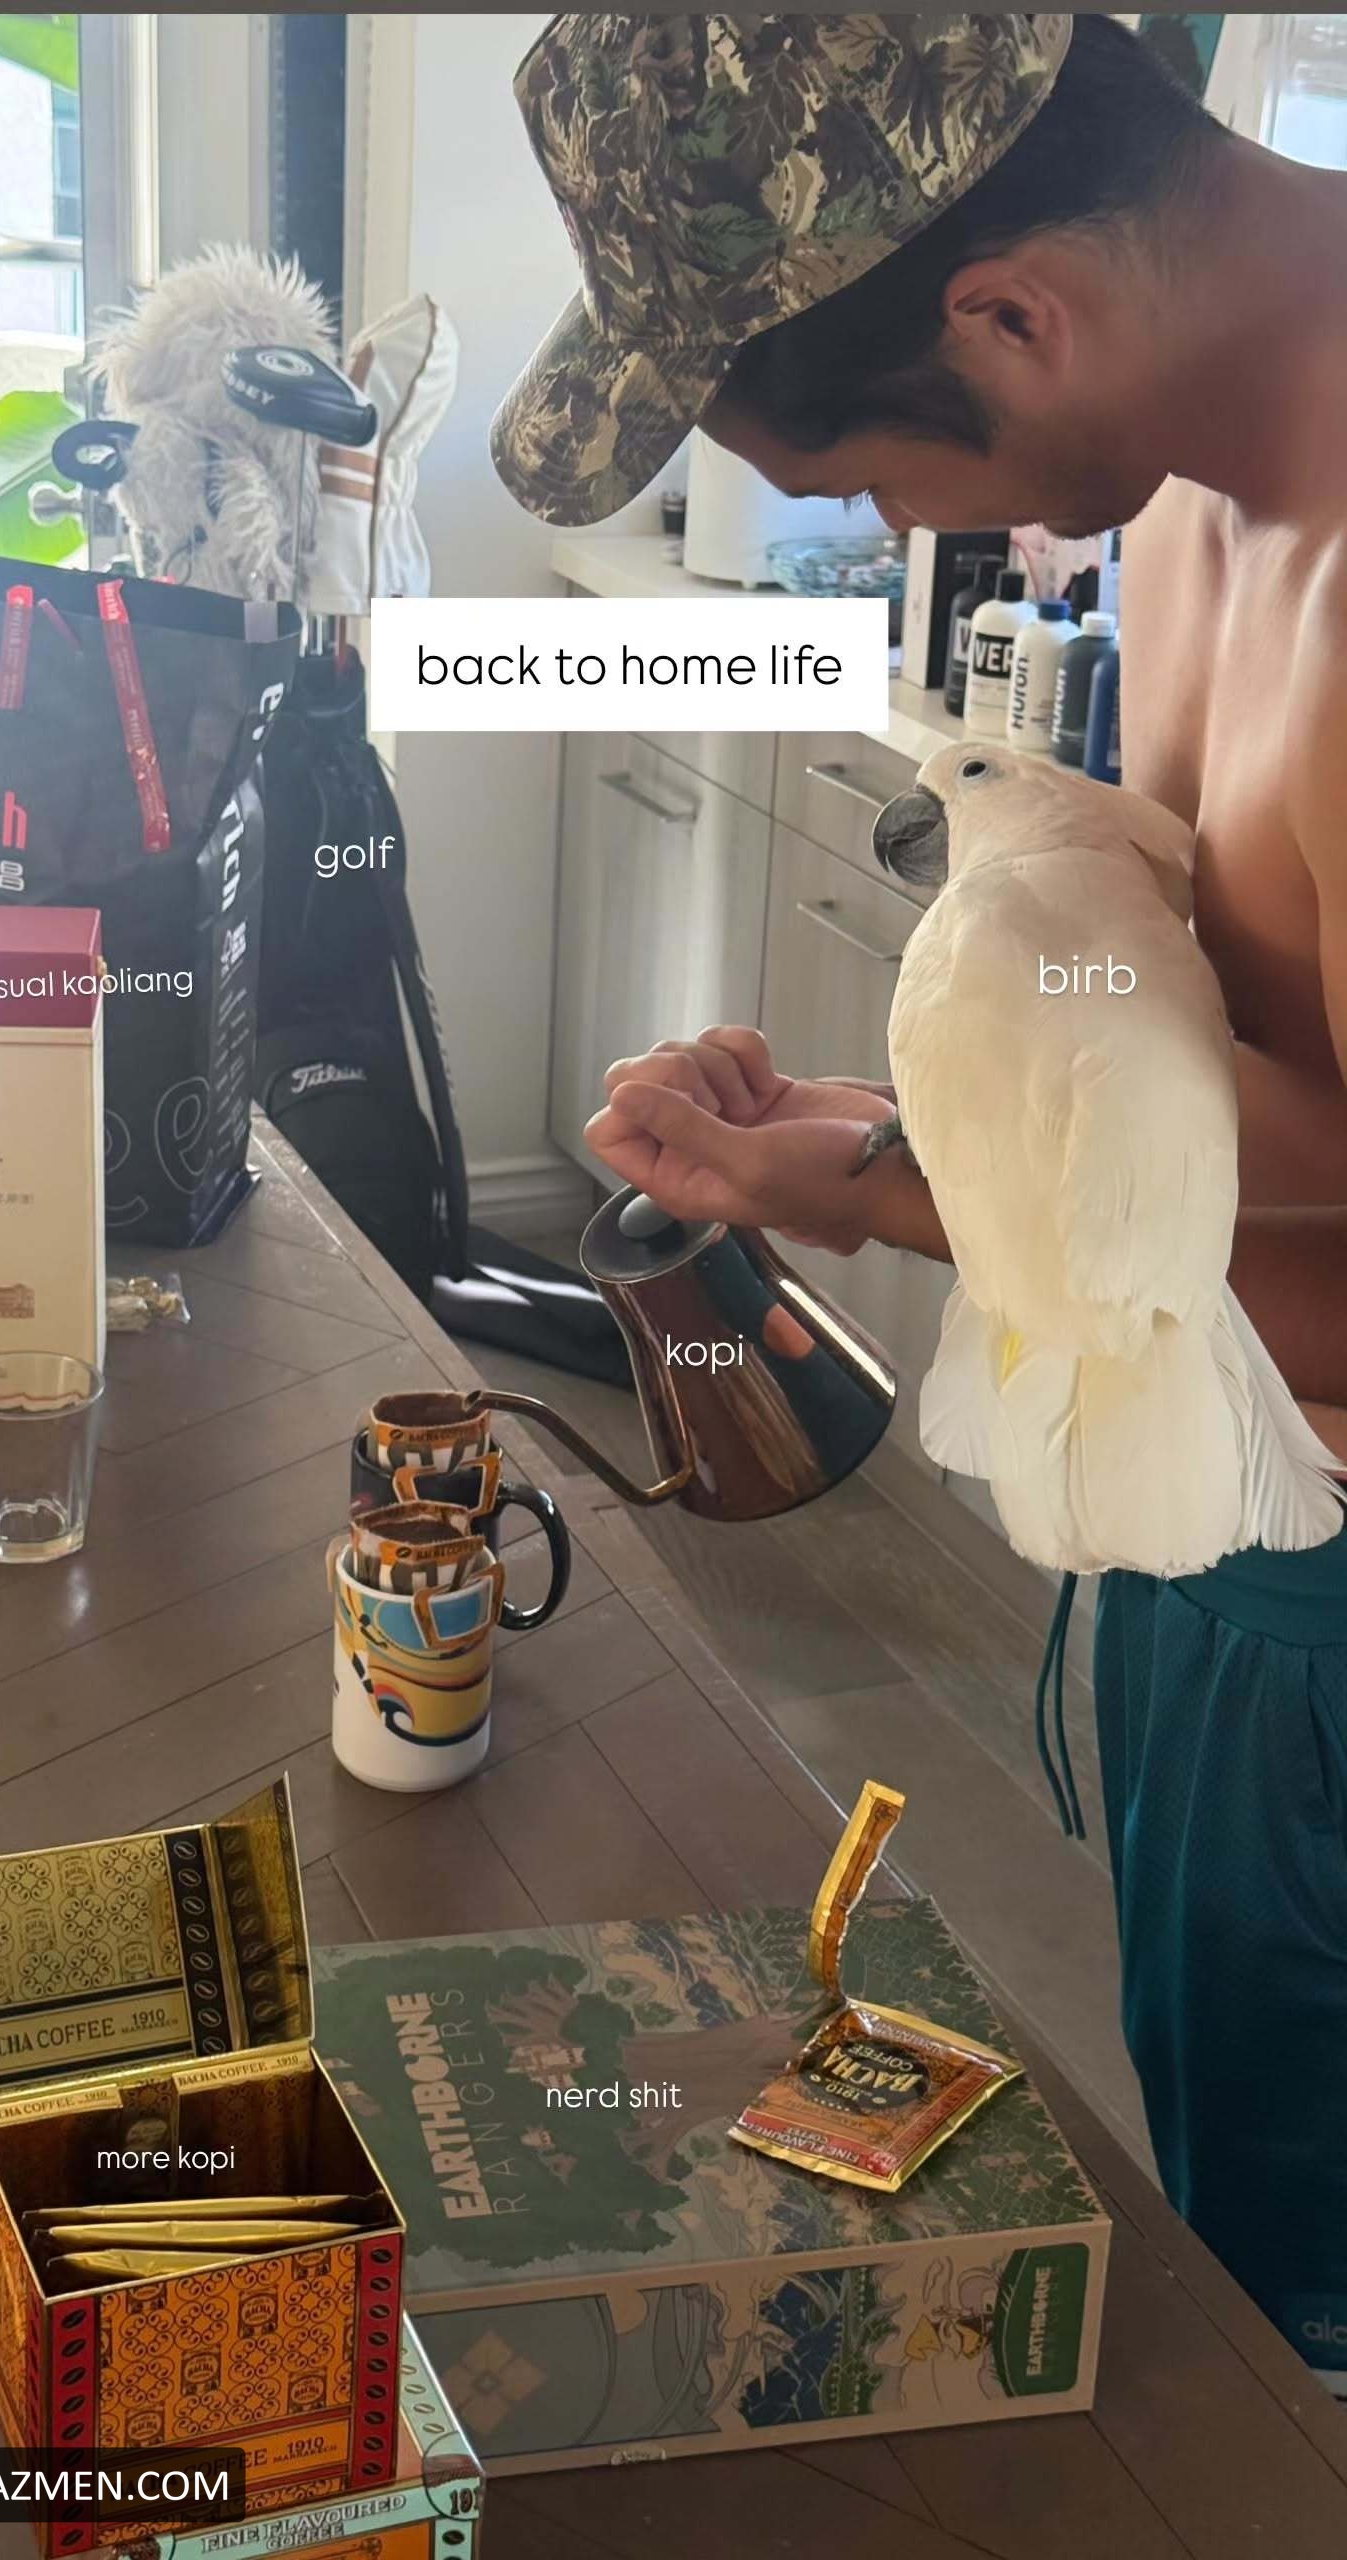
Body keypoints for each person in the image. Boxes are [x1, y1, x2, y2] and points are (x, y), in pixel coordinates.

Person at [492, 11, 1347, 2395]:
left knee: (1292, 2347)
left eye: (860, 476)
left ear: (1011, 314)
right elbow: (1224, 1095)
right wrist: (862, 1140)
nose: (886, 537)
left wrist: (905, 1184)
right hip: (1221, 1549)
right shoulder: (1187, 507)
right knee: (1239, 2225)